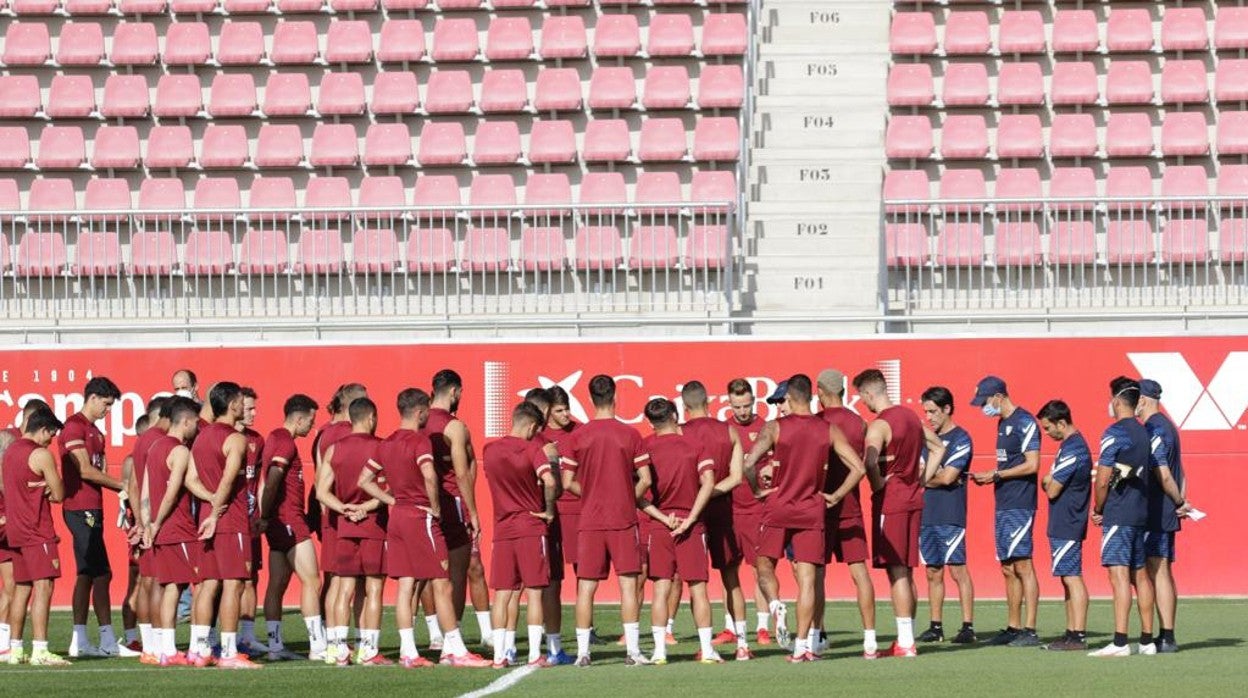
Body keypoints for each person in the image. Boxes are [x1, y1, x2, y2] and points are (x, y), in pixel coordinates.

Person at [363, 388, 489, 669]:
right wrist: (435, 506)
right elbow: (430, 476)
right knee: (442, 582)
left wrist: (392, 500)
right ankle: (455, 650)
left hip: (397, 517)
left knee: (406, 586)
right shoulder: (419, 441)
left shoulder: (386, 443)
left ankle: (408, 652)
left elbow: (364, 479)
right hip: (421, 517)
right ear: (420, 412)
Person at [744, 374, 865, 663]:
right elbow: (859, 468)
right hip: (812, 509)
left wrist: (758, 489)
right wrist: (836, 496)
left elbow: (748, 463)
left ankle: (775, 604)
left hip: (779, 507)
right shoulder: (828, 429)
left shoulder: (775, 427)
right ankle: (803, 647)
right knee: (808, 581)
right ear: (811, 396)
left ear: (788, 398)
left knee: (764, 566)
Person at [560, 374, 652, 667]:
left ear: (590, 399)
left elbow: (567, 482)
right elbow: (646, 479)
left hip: (590, 520)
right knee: (628, 585)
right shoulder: (630, 434)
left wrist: (591, 495)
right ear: (615, 397)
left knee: (585, 587)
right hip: (623, 519)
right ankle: (632, 652)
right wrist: (625, 496)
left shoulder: (577, 436)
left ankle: (583, 654)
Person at [855, 369, 944, 658]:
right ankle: (906, 638)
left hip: (891, 502)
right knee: (906, 570)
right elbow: (938, 448)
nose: (863, 403)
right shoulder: (912, 418)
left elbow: (869, 462)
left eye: (862, 397)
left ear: (869, 393)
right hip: (912, 499)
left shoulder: (879, 425)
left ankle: (906, 642)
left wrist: (878, 485)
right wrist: (922, 481)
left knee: (897, 572)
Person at [640, 398, 722, 665]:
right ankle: (707, 651)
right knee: (698, 589)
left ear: (650, 422)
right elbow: (708, 482)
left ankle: (659, 652)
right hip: (691, 525)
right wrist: (690, 519)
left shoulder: (644, 447)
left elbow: (636, 495)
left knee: (660, 589)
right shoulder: (695, 445)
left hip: (660, 525)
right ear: (675, 416)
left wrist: (664, 518)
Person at [1089, 376, 1165, 658]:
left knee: (1119, 576)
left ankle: (1120, 642)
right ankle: (1146, 640)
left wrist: (1098, 508)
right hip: (1140, 512)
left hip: (1119, 513)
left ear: (1117, 401)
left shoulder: (1114, 433)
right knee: (1140, 575)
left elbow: (1102, 480)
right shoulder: (1145, 433)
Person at [189, 381, 261, 669]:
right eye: (242, 402)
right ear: (232, 405)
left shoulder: (201, 437)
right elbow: (228, 481)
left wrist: (210, 505)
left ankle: (200, 650)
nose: (245, 407)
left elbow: (191, 480)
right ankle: (229, 653)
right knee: (235, 583)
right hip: (229, 520)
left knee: (208, 584)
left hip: (209, 517)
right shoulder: (235, 439)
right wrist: (216, 513)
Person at [483, 401, 559, 668]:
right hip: (530, 526)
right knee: (535, 593)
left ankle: (499, 655)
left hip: (503, 528)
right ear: (531, 426)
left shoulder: (490, 451)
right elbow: (550, 481)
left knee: (502, 594)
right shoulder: (533, 449)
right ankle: (535, 655)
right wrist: (548, 510)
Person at [678, 381, 749, 660]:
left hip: (691, 512)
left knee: (696, 583)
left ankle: (704, 646)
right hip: (722, 509)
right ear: (708, 401)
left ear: (684, 406)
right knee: (731, 578)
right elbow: (737, 477)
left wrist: (700, 496)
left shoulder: (680, 433)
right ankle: (743, 645)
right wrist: (712, 493)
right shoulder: (728, 430)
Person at [969, 375, 1041, 647]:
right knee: (1008, 568)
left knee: (1023, 565)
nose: (983, 407)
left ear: (998, 396)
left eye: (985, 401)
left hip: (1021, 503)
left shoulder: (1025, 422)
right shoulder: (1003, 423)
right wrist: (992, 476)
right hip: (1004, 502)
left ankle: (1030, 629)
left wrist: (997, 475)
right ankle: (1013, 627)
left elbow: (1032, 464)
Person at [317, 397, 389, 666]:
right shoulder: (381, 447)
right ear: (371, 418)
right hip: (374, 525)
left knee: (344, 588)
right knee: (373, 588)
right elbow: (388, 490)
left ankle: (339, 649)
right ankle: (369, 650)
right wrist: (365, 507)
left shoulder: (334, 449)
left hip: (345, 526)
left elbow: (321, 492)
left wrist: (344, 509)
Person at [58, 377, 126, 658]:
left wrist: (120, 492)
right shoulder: (74, 426)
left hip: (93, 507)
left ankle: (83, 641)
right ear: (93, 397)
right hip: (79, 508)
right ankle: (103, 640)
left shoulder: (95, 431)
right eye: (106, 404)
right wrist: (123, 486)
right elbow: (85, 470)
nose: (108, 411)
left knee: (89, 573)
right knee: (99, 573)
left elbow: (99, 471)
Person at [423, 370, 490, 644]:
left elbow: (469, 463)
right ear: (454, 392)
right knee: (456, 572)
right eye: (460, 393)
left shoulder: (417, 421)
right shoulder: (453, 426)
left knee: (424, 574)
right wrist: (473, 511)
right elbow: (463, 471)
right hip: (452, 504)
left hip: (423, 506)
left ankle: (429, 639)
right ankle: (451, 637)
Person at [257, 394, 326, 661]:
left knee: (277, 585)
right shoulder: (285, 441)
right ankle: (318, 646)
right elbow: (273, 480)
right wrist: (265, 515)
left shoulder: (275, 437)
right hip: (288, 521)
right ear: (298, 418)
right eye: (310, 420)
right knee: (312, 581)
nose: (312, 426)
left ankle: (275, 647)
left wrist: (266, 517)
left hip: (279, 522)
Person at [813, 369, 877, 657]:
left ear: (820, 392)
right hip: (851, 506)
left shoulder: (817, 422)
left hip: (822, 506)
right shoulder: (859, 422)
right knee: (860, 572)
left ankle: (817, 636)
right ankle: (870, 638)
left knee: (816, 575)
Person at [3, 407, 69, 666]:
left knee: (21, 588)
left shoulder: (10, 452)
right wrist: (47, 489)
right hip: (37, 530)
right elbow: (59, 494)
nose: (50, 441)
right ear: (42, 430)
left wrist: (40, 488)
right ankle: (40, 649)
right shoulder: (40, 454)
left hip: (16, 530)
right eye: (50, 435)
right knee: (44, 586)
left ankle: (15, 649)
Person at [143, 397, 204, 666]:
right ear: (186, 421)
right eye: (196, 423)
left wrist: (147, 523)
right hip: (179, 528)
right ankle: (198, 646)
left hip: (163, 529)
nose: (197, 428)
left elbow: (145, 492)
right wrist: (156, 522)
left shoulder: (155, 447)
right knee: (201, 583)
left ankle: (167, 650)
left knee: (172, 587)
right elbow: (173, 491)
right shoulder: (180, 451)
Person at [916, 386, 977, 645]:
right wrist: (932, 476)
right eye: (926, 412)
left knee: (957, 570)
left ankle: (968, 627)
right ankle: (936, 627)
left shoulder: (961, 438)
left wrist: (924, 478)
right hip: (926, 513)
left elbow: (948, 477)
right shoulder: (924, 440)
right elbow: (923, 473)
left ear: (947, 409)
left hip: (950, 513)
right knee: (932, 571)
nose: (928, 417)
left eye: (933, 411)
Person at [312, 383, 368, 649]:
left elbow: (319, 477)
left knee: (336, 579)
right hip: (349, 514)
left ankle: (335, 641)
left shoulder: (324, 433)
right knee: (348, 582)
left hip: (331, 513)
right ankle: (343, 641)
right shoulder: (347, 434)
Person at [1137, 379, 1190, 653]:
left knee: (1158, 569)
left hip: (1157, 511)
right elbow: (1181, 472)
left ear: (1143, 400)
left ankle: (1167, 636)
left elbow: (1165, 474)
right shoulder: (1167, 426)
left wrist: (1179, 501)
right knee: (1159, 569)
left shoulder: (1155, 428)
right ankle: (1165, 634)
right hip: (1162, 508)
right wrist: (1180, 500)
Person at [1036, 400, 1092, 652]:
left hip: (1069, 520)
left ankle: (1078, 635)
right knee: (1066, 578)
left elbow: (1052, 488)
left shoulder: (1074, 448)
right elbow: (1049, 480)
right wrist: (1048, 480)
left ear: (1061, 423)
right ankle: (1071, 633)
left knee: (1072, 577)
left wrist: (1048, 481)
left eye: (1048, 428)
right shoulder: (1068, 447)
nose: (1047, 433)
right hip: (1063, 520)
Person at [723, 379, 772, 645]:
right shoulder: (725, 430)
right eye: (737, 406)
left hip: (757, 510)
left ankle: (762, 627)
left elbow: (779, 462)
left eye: (746, 405)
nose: (742, 411)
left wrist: (770, 471)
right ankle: (730, 627)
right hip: (729, 510)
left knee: (760, 569)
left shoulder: (766, 428)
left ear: (754, 401)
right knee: (728, 570)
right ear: (729, 404)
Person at [124, 397, 170, 662]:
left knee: (146, 581)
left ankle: (151, 645)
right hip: (157, 521)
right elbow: (140, 487)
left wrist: (140, 523)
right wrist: (148, 523)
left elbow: (132, 486)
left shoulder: (141, 443)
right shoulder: (157, 441)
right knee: (156, 582)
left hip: (145, 520)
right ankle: (159, 646)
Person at [236, 387, 267, 656]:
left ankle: (247, 637)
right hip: (227, 521)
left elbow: (261, 482)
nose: (254, 413)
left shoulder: (257, 440)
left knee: (250, 578)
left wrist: (261, 514)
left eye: (254, 408)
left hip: (250, 520)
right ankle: (217, 637)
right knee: (224, 581)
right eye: (249, 408)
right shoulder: (222, 436)